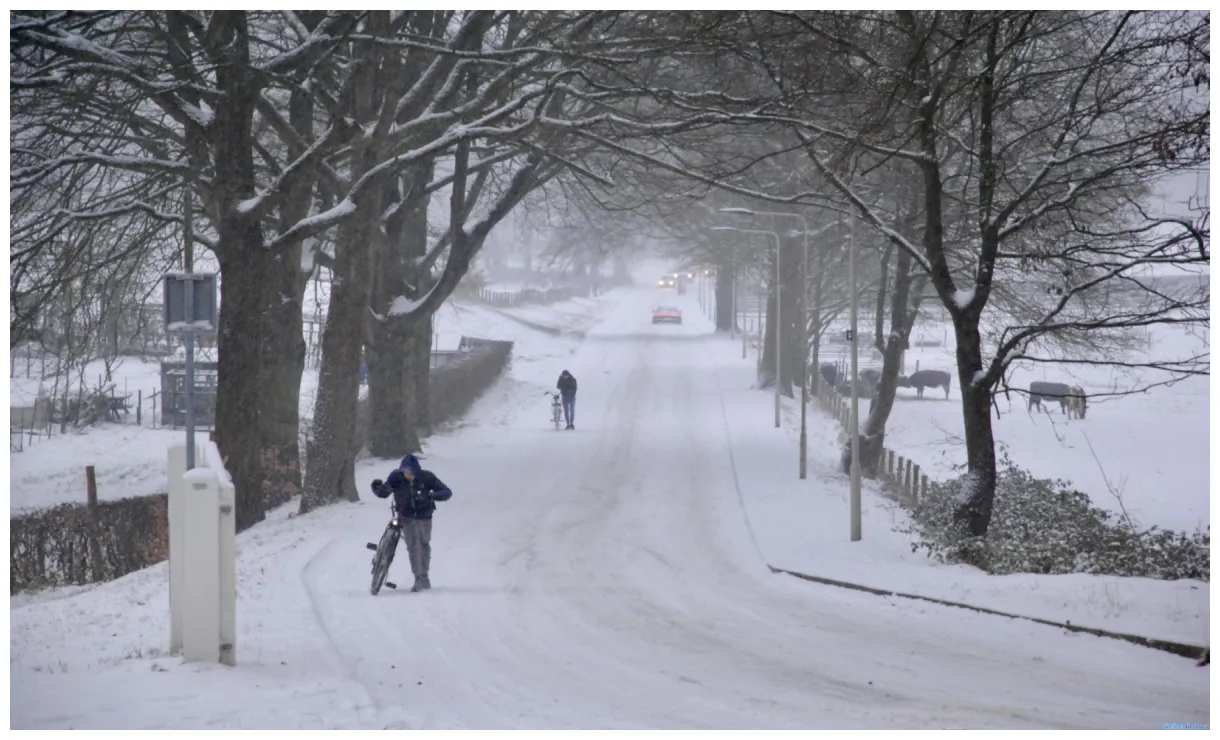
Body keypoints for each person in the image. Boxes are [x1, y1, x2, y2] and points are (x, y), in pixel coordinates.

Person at [371, 454, 452, 592]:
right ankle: (418, 578)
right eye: (406, 473)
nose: (408, 476)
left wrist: (432, 495)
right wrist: (378, 487)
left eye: (411, 473)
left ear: (417, 471)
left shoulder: (427, 477)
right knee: (413, 546)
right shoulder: (396, 477)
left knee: (424, 545)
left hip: (425, 517)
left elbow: (447, 492)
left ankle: (424, 578)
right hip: (406, 517)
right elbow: (384, 491)